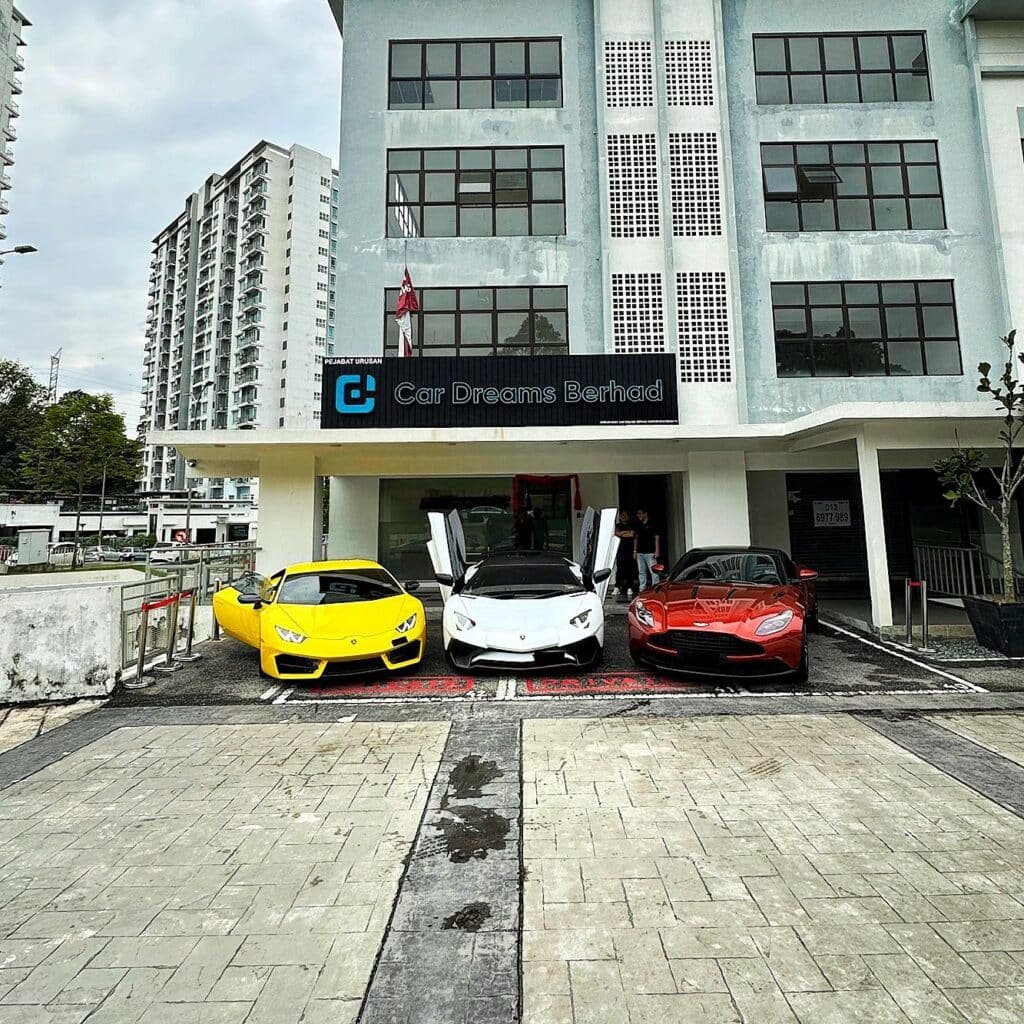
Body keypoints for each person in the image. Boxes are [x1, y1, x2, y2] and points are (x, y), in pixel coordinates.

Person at [634, 507, 662, 592]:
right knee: (641, 571)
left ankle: (655, 587)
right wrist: (634, 551)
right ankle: (642, 588)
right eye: (638, 514)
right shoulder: (638, 525)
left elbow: (657, 536)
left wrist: (657, 550)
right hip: (640, 552)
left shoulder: (652, 524)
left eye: (640, 513)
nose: (639, 515)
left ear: (645, 514)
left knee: (653, 571)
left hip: (650, 552)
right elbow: (636, 538)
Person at [613, 509, 637, 598]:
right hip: (620, 550)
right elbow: (616, 533)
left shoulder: (632, 525)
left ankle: (629, 587)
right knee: (620, 569)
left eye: (625, 515)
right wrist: (624, 533)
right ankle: (617, 586)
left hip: (629, 550)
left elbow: (631, 535)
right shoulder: (617, 525)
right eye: (622, 515)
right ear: (620, 517)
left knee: (629, 569)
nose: (624, 517)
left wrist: (622, 534)